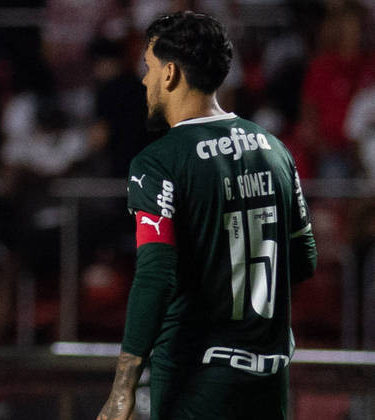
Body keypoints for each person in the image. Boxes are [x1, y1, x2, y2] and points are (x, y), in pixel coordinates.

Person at [97, 11, 317, 420]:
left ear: (170, 73)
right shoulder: (275, 150)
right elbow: (304, 260)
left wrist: (122, 387)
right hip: (269, 382)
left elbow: (155, 275)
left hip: (196, 381)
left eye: (148, 67)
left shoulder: (158, 162)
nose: (144, 80)